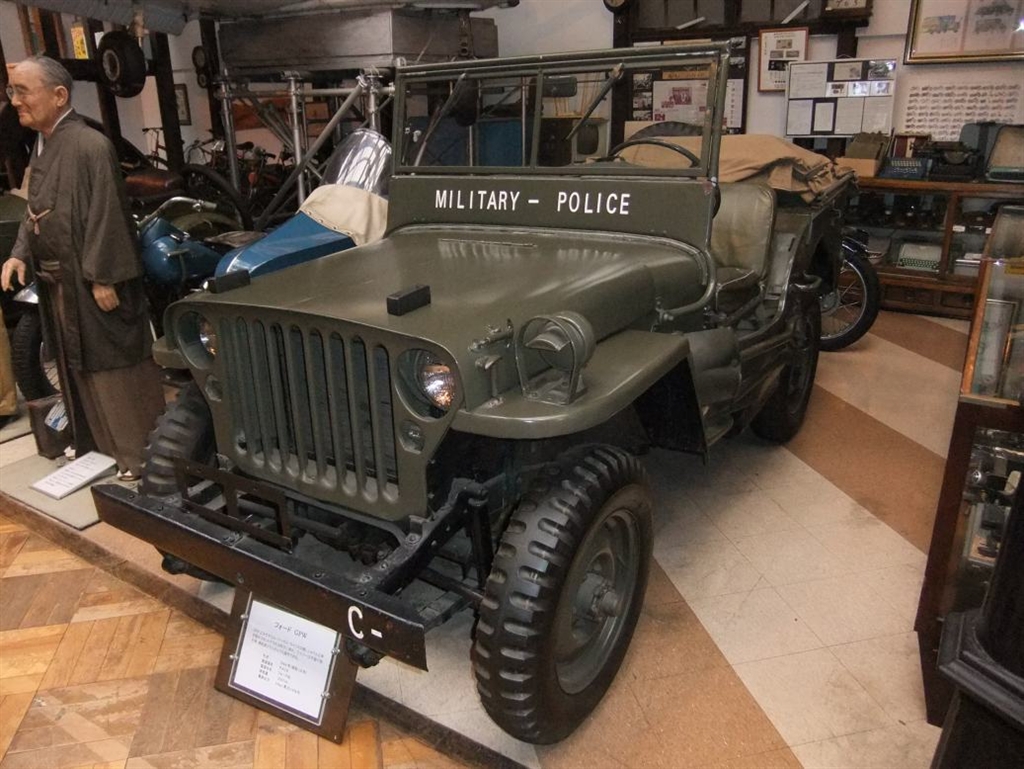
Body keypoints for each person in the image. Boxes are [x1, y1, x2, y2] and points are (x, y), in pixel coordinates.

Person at [0, 55, 164, 481]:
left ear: (59, 95)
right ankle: (100, 449)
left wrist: (104, 277)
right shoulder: (46, 145)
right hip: (59, 281)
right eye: (12, 91)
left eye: (23, 91)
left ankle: (137, 456)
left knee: (114, 367)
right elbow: (35, 209)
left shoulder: (91, 145)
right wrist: (19, 252)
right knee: (77, 368)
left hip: (92, 281)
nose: (15, 101)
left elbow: (108, 213)